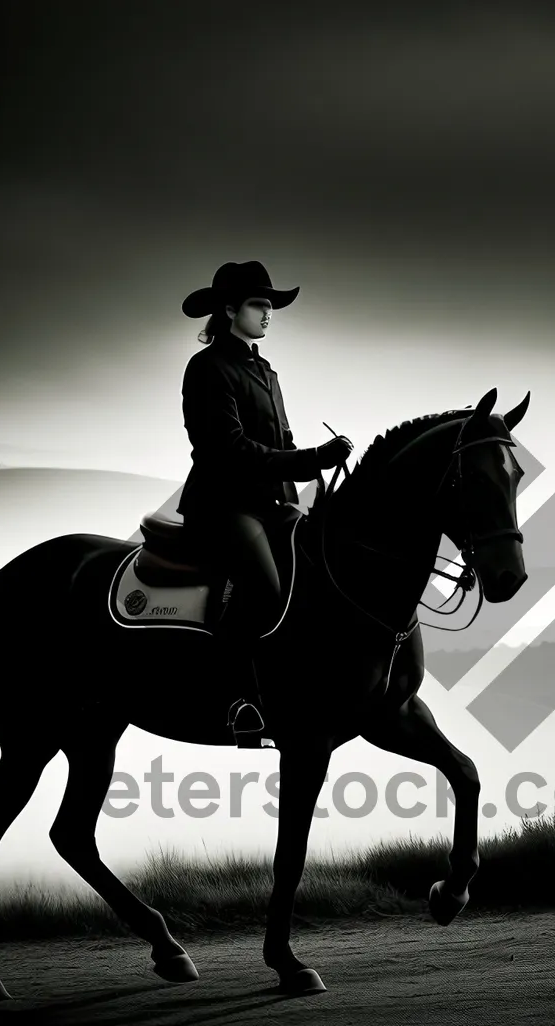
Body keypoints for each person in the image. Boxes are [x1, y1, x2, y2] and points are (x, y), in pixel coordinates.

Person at [178, 260, 352, 744]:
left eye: (271, 305)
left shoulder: (266, 372)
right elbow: (228, 449)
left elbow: (283, 438)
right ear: (230, 310)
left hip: (273, 505)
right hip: (225, 505)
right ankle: (240, 701)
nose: (268, 313)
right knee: (265, 589)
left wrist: (317, 468)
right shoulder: (207, 368)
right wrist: (311, 457)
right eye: (259, 304)